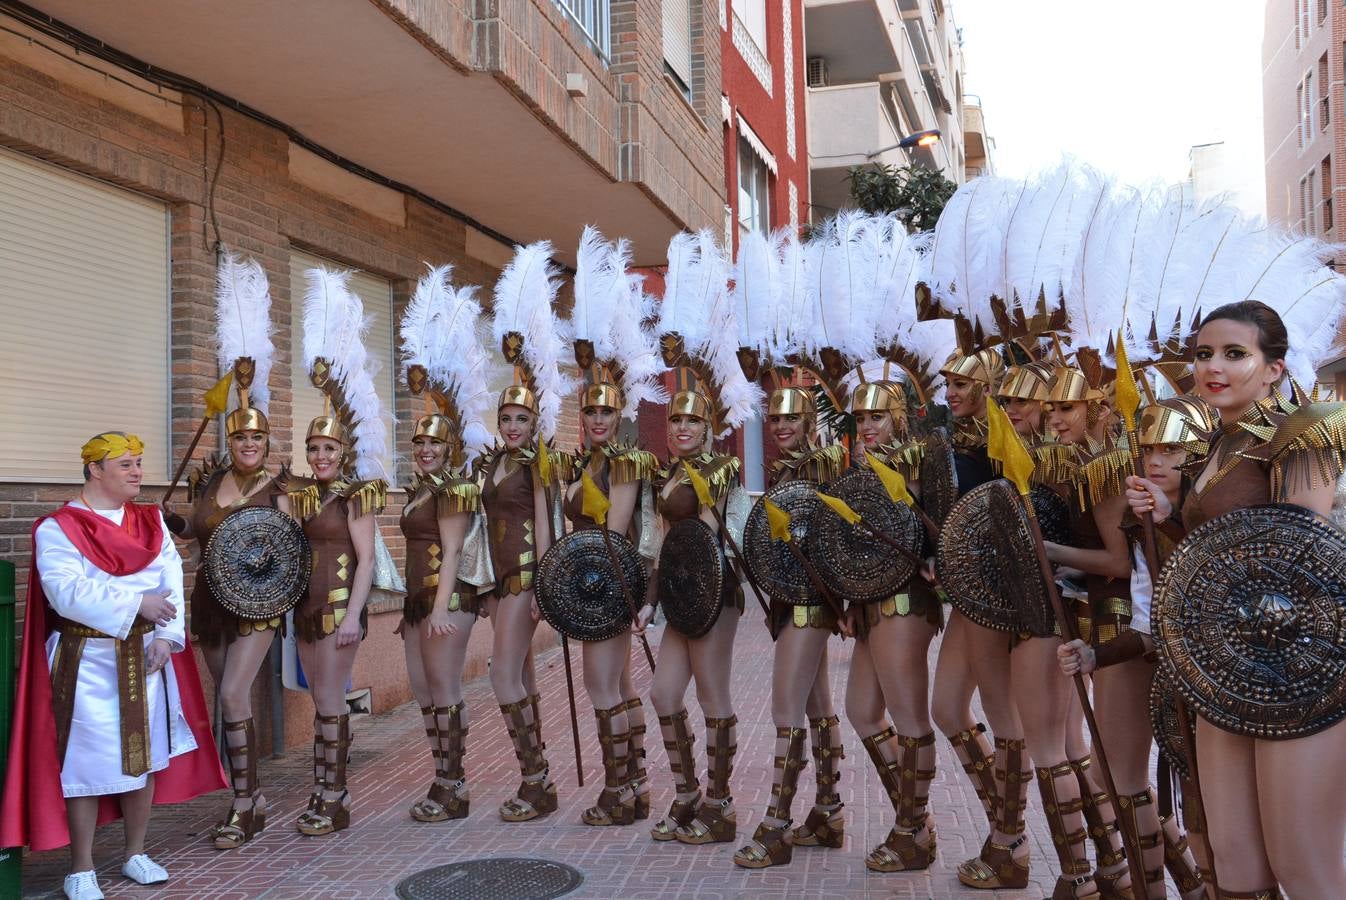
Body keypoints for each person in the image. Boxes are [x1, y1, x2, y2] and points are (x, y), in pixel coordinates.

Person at [1126, 300, 1346, 897]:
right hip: (1228, 667)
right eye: (1203, 354)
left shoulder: (1303, 435)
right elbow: (1214, 553)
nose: (1212, 367)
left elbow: (1306, 557)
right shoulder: (1213, 449)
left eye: (1234, 354)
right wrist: (1171, 517)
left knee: (1302, 864)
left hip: (1297, 670)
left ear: (1273, 368)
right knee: (1235, 861)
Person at [0, 432, 224, 900]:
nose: (137, 472)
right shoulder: (58, 527)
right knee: (85, 765)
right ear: (95, 470)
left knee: (143, 759)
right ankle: (80, 867)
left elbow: (171, 578)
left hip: (146, 657)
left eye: (139, 463)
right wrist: (135, 601)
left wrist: (166, 636)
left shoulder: (151, 522)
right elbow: (67, 593)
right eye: (126, 464)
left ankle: (135, 853)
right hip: (86, 661)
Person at [1059, 395, 1213, 899]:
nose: (1156, 460)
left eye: (1171, 448)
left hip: (1226, 681)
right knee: (1168, 798)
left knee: (1219, 821)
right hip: (1175, 674)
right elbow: (1148, 619)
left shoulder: (1217, 510)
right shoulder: (1137, 521)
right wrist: (1094, 656)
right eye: (1149, 448)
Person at [162, 252, 280, 850]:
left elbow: (292, 552)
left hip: (259, 602)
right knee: (224, 698)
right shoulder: (210, 478)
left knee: (235, 692)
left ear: (267, 440)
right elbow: (197, 532)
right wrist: (173, 522)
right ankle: (252, 793)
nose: (250, 443)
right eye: (241, 436)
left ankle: (242, 803)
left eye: (258, 436)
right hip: (208, 599)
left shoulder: (282, 489)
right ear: (230, 438)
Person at [559, 227, 664, 828]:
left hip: (607, 582)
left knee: (605, 687)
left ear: (620, 412)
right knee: (616, 685)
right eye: (590, 410)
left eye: (606, 410)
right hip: (587, 583)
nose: (598, 418)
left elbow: (614, 528)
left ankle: (621, 789)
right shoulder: (584, 462)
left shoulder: (624, 460)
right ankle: (635, 785)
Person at [283, 266, 390, 836]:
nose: (321, 456)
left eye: (329, 448)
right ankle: (322, 792)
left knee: (329, 699)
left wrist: (353, 615)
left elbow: (368, 559)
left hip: (338, 611)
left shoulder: (357, 494)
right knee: (318, 701)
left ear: (344, 450)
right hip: (303, 610)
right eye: (313, 448)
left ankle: (334, 795)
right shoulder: (300, 496)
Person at [732, 381, 848, 868]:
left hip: (810, 600)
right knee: (818, 705)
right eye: (775, 420)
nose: (780, 427)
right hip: (792, 600)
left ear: (809, 424)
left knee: (786, 710)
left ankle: (776, 827)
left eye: (791, 419)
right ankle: (828, 812)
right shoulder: (787, 471)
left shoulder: (819, 466)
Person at [395, 264, 496, 823]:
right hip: (415, 604)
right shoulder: (419, 490)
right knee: (422, 692)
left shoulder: (456, 489)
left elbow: (454, 551)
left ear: (451, 448)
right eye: (419, 444)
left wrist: (436, 607)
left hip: (447, 600)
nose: (425, 451)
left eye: (434, 445)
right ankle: (441, 779)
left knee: (444, 688)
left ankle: (454, 788)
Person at [841, 376, 945, 873]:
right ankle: (916, 820)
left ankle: (911, 831)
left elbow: (935, 523)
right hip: (868, 600)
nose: (866, 426)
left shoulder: (917, 461)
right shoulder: (859, 465)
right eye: (860, 418)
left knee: (909, 721)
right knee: (861, 710)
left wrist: (931, 557)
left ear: (898, 417)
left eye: (876, 417)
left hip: (906, 598)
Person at [484, 240, 569, 822]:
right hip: (495, 580)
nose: (513, 426)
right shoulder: (490, 463)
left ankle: (536, 777)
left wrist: (543, 586)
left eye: (522, 418)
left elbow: (546, 522)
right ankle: (538, 780)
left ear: (536, 421)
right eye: (506, 418)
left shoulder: (540, 463)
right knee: (515, 676)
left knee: (500, 675)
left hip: (522, 578)